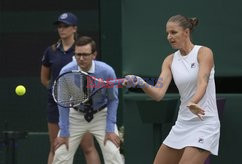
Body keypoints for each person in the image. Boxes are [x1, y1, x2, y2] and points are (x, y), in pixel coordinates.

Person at [125, 14, 220, 164]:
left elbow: (203, 82)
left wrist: (193, 102)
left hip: (205, 123)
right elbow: (158, 94)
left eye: (173, 32)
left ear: (186, 32)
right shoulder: (169, 61)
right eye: (167, 33)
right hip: (183, 123)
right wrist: (141, 82)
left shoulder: (204, 52)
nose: (169, 37)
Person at [52, 36, 124, 164]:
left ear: (94, 55)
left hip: (101, 114)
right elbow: (62, 102)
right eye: (78, 54)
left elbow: (113, 99)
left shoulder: (107, 71)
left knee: (113, 152)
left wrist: (110, 129)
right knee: (61, 153)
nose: (81, 58)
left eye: (85, 55)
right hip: (75, 115)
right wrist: (64, 131)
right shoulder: (66, 71)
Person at [40, 12, 100, 164]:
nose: (62, 29)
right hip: (56, 104)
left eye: (65, 26)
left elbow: (92, 73)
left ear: (74, 28)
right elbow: (44, 78)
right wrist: (55, 90)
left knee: (88, 147)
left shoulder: (82, 50)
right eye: (59, 26)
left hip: (81, 105)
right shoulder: (50, 51)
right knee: (55, 147)